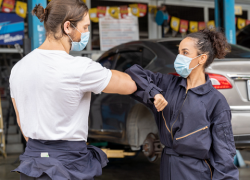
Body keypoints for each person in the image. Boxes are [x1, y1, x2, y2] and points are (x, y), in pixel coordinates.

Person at [10, 0, 137, 180]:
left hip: (32, 164)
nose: (86, 34)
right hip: (67, 165)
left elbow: (22, 123)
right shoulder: (79, 68)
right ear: (67, 26)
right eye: (84, 28)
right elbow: (129, 85)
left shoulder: (18, 69)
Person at [125, 29, 239, 180]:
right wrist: (154, 92)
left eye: (185, 53)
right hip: (168, 167)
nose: (179, 57)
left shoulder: (216, 101)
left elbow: (224, 154)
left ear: (201, 58)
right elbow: (134, 72)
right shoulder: (167, 84)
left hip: (195, 173)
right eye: (178, 52)